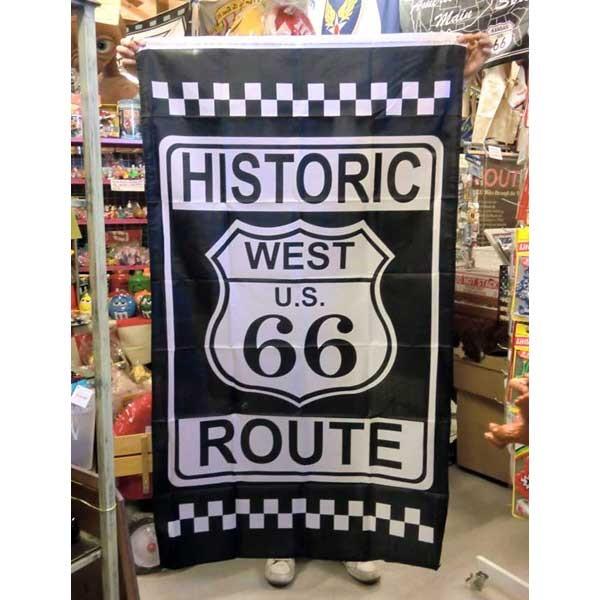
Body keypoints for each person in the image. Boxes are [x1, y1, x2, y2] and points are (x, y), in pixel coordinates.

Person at [117, 2, 491, 587]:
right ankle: (279, 535)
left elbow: (398, 90)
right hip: (265, 259)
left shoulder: (376, 18)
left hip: (345, 252)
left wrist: (447, 70)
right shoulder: (250, 23)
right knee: (266, 410)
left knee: (349, 410)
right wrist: (146, 69)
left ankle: (352, 533)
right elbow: (205, 92)